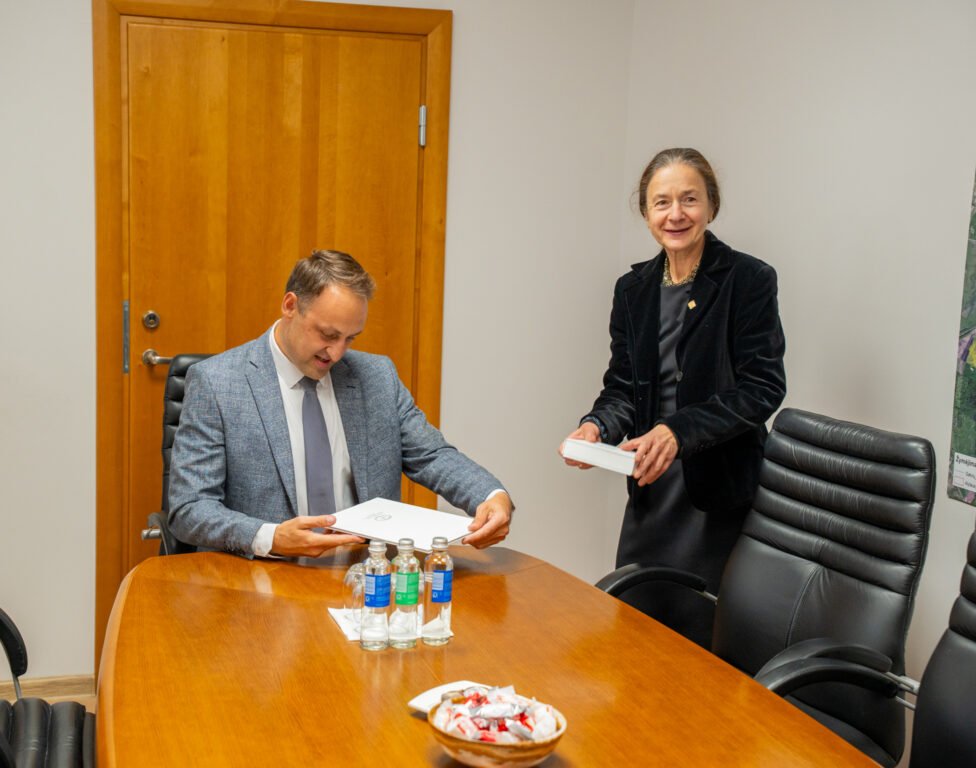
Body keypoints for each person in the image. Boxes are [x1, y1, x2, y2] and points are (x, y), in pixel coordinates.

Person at [561, 148, 785, 646]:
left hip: (717, 490)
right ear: (646, 212)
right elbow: (623, 385)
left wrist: (677, 431)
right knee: (636, 628)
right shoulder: (632, 289)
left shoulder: (748, 280)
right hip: (651, 486)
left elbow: (762, 387)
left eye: (690, 199)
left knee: (702, 643)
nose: (675, 214)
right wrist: (597, 425)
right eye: (661, 202)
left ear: (711, 206)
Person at [169, 249, 513, 558]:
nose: (336, 353)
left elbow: (432, 455)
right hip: (263, 574)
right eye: (328, 335)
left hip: (367, 574)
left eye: (350, 338)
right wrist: (271, 537)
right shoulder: (217, 383)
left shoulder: (376, 376)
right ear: (290, 306)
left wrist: (490, 495)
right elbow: (190, 508)